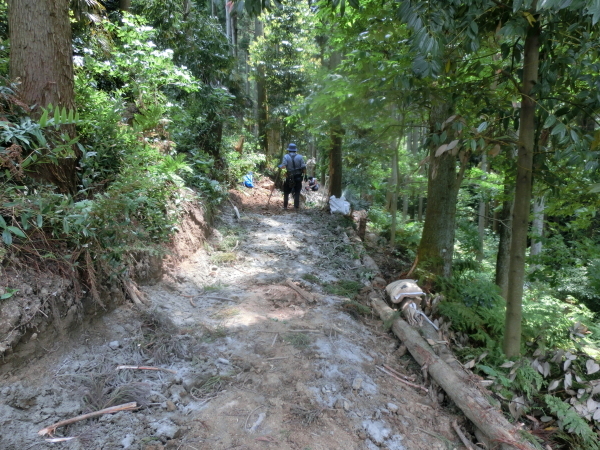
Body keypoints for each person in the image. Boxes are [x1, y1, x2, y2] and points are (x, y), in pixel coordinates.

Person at [278, 143, 306, 210]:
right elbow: (303, 167)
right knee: (297, 191)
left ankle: (285, 206)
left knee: (286, 192)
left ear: (289, 150)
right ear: (295, 150)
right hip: (298, 177)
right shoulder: (300, 157)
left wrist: (279, 166)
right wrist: (305, 175)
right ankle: (296, 207)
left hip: (289, 177)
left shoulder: (286, 156)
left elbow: (283, 166)